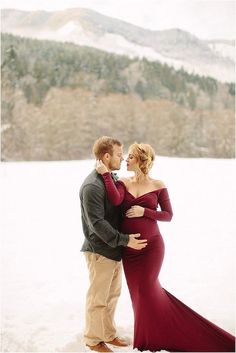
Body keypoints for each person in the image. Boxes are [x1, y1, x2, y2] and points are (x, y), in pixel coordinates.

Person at [96, 142, 235, 352]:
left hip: (152, 248)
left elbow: (168, 215)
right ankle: (147, 337)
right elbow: (115, 200)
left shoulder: (158, 185)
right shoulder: (122, 182)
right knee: (138, 295)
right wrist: (106, 175)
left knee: (147, 290)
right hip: (130, 250)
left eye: (131, 157)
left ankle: (164, 334)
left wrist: (145, 212)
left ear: (142, 161)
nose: (126, 159)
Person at [79, 136, 148, 353]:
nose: (123, 158)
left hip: (114, 250)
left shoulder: (108, 178)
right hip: (100, 251)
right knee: (97, 298)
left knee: (111, 296)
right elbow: (97, 224)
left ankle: (107, 334)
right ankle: (92, 339)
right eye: (119, 154)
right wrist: (126, 240)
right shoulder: (92, 186)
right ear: (106, 156)